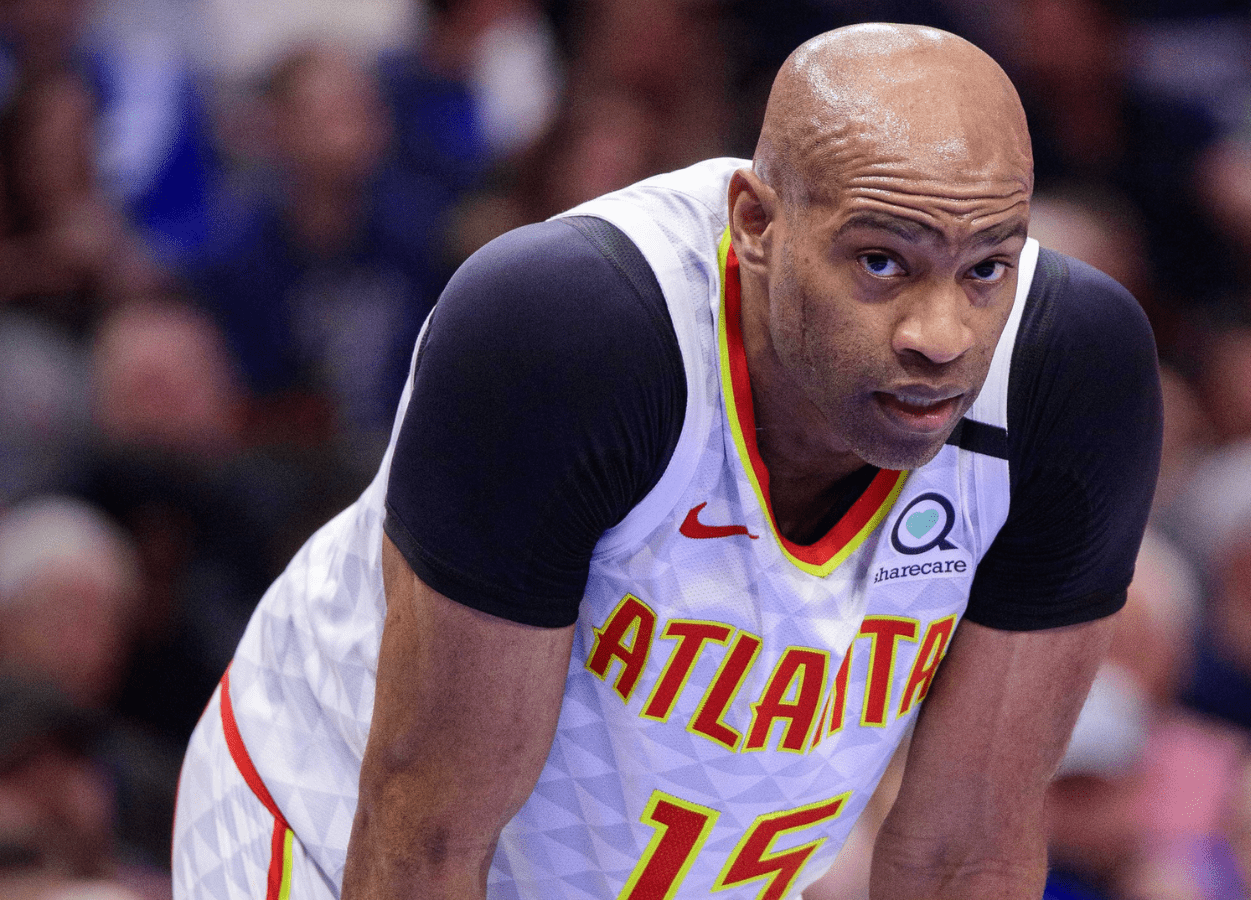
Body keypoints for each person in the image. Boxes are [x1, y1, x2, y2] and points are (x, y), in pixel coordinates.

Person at [171, 23, 1162, 900]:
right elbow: (426, 834)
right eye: (880, 262)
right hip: (340, 831)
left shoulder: (1067, 378)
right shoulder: (572, 335)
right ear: (755, 224)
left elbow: (963, 856)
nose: (940, 336)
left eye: (986, 267)